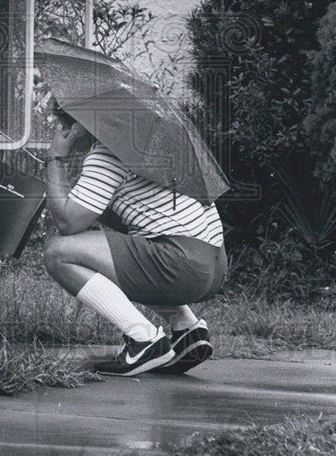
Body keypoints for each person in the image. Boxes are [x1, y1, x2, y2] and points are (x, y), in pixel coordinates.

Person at [43, 103, 228, 377]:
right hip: (215, 265)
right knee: (116, 251)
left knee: (58, 252)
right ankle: (186, 327)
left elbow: (68, 222)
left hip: (181, 264)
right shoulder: (154, 143)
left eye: (65, 126)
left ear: (81, 126)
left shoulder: (108, 153)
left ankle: (142, 339)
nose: (63, 132)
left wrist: (56, 158)